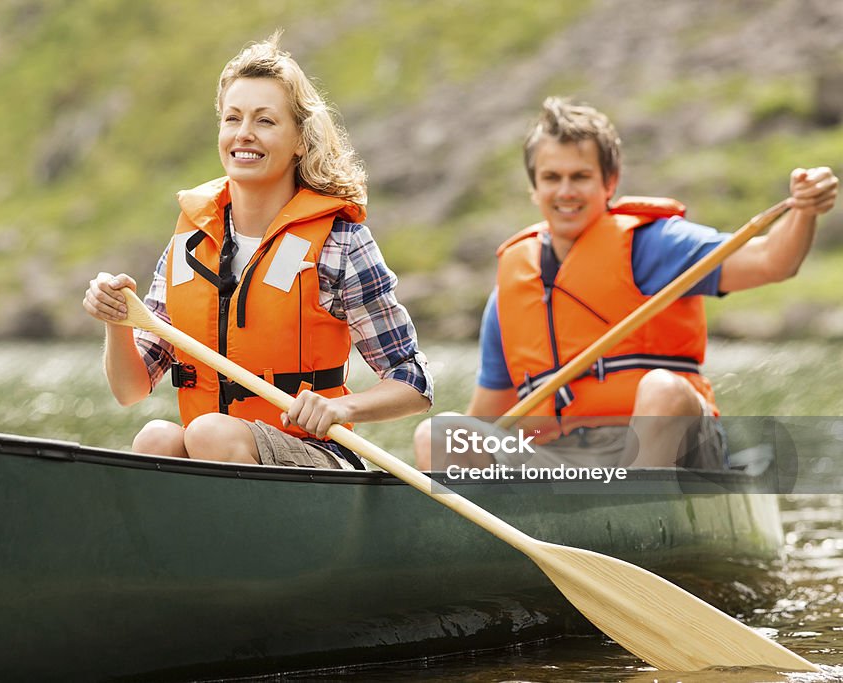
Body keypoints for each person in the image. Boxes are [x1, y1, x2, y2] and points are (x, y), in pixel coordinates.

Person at [414, 97, 838, 471]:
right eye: (551, 177)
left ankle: (637, 523)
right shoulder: (511, 293)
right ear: (535, 187)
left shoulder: (652, 245)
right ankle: (471, 549)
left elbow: (772, 261)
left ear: (609, 182)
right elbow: (486, 417)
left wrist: (804, 210)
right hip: (562, 463)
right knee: (439, 435)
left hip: (668, 448)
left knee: (663, 389)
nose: (565, 191)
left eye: (579, 176)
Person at [83, 34, 432, 470]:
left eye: (265, 121)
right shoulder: (189, 246)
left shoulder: (339, 243)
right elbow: (129, 390)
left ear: (300, 140)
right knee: (156, 438)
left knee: (210, 432)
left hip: (318, 460)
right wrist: (118, 321)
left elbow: (413, 382)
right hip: (218, 454)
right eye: (233, 119)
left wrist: (345, 409)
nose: (244, 134)